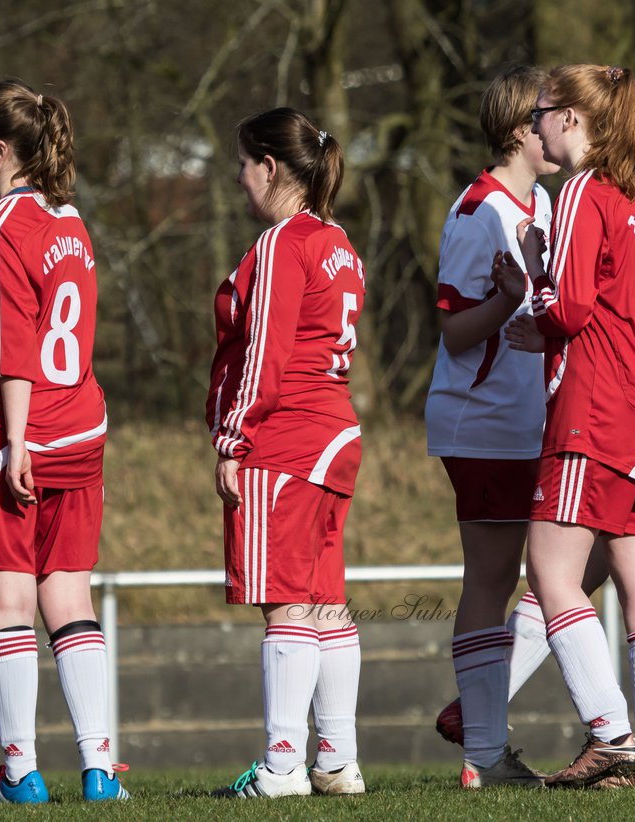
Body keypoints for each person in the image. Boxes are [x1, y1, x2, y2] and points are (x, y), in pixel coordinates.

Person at [0, 80, 127, 805]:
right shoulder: (70, 221)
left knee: (5, 602)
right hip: (81, 427)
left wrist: (17, 440)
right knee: (70, 594)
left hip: (10, 433)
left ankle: (19, 771)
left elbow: (13, 348)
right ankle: (99, 768)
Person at [515, 64, 635, 788]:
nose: (536, 122)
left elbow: (572, 309)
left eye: (544, 109)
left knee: (550, 574)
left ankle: (610, 736)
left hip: (603, 409)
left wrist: (531, 280)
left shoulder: (584, 188)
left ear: (574, 119)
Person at [206, 109, 366, 799]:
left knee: (283, 603)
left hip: (287, 435)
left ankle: (281, 767)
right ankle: (337, 758)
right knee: (325, 598)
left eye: (244, 164)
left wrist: (233, 438)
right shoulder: (338, 242)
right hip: (334, 430)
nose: (240, 179)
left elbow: (266, 351)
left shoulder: (281, 244)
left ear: (270, 166)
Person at [423, 65, 558, 788]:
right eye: (549, 114)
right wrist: (509, 301)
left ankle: (477, 726)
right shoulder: (481, 211)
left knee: (567, 570)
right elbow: (453, 333)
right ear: (518, 129)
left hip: (530, 423)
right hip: (487, 425)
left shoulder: (539, 202)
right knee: (495, 578)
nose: (560, 126)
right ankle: (483, 750)